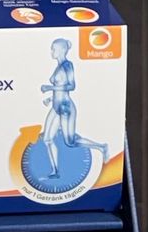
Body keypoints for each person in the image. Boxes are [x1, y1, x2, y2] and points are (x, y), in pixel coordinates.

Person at [41, 36, 109, 178]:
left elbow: (71, 86)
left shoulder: (67, 65)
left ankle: (101, 147)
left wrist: (49, 87)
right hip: (56, 106)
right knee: (47, 139)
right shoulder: (58, 67)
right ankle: (55, 171)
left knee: (70, 142)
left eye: (53, 49)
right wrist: (50, 98)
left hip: (66, 107)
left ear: (61, 50)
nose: (51, 51)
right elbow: (60, 89)